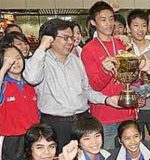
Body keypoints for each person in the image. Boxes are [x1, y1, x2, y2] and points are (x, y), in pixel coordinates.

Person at [23, 18, 117, 153]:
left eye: (71, 38)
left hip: (82, 121)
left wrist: (107, 100)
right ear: (50, 39)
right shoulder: (39, 61)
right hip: (56, 124)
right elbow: (32, 78)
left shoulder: (76, 61)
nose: (71, 42)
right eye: (65, 38)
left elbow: (86, 90)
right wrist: (42, 46)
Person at [81, 1, 136, 150]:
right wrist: (105, 71)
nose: (109, 23)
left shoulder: (122, 43)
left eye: (111, 19)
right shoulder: (88, 49)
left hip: (127, 110)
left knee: (130, 154)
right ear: (93, 22)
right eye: (103, 19)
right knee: (108, 154)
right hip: (105, 115)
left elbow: (132, 77)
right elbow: (95, 85)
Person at [127, 9, 150, 140]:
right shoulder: (125, 48)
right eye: (136, 25)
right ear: (129, 27)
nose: (140, 29)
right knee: (137, 143)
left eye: (143, 25)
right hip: (133, 108)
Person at [0, 44, 39, 159]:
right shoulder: (3, 85)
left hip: (33, 137)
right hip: (12, 140)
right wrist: (3, 69)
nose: (15, 62)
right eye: (9, 60)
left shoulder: (31, 83)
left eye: (18, 58)